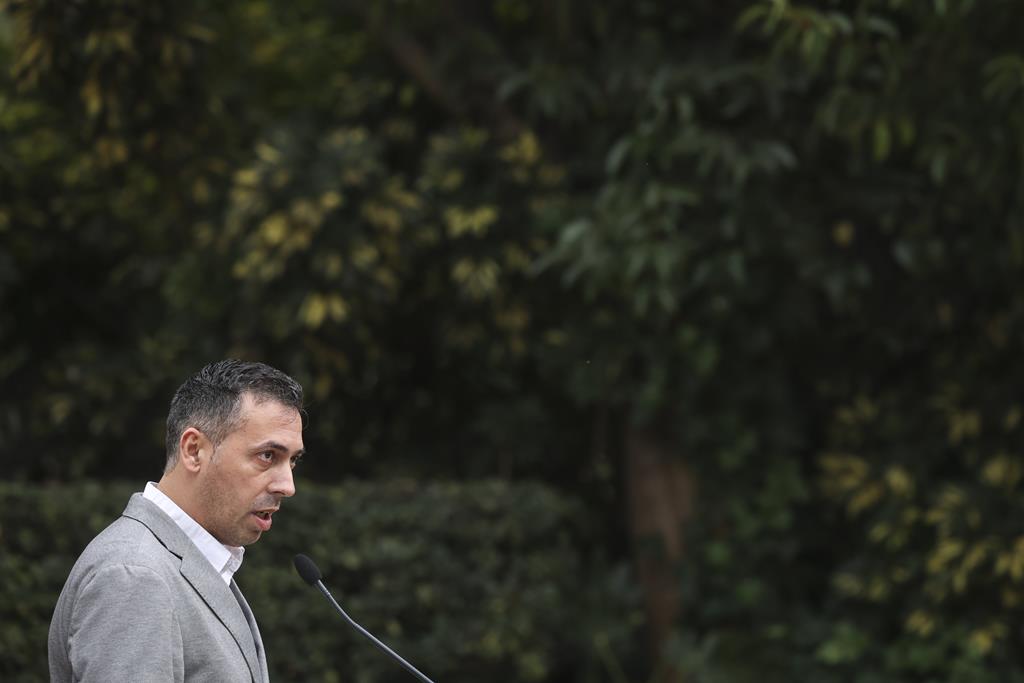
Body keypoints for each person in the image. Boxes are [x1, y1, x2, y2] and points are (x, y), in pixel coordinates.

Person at [48, 359, 305, 682]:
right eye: (267, 456)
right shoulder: (135, 574)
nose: (288, 486)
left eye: (292, 461)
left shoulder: (179, 561)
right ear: (194, 450)